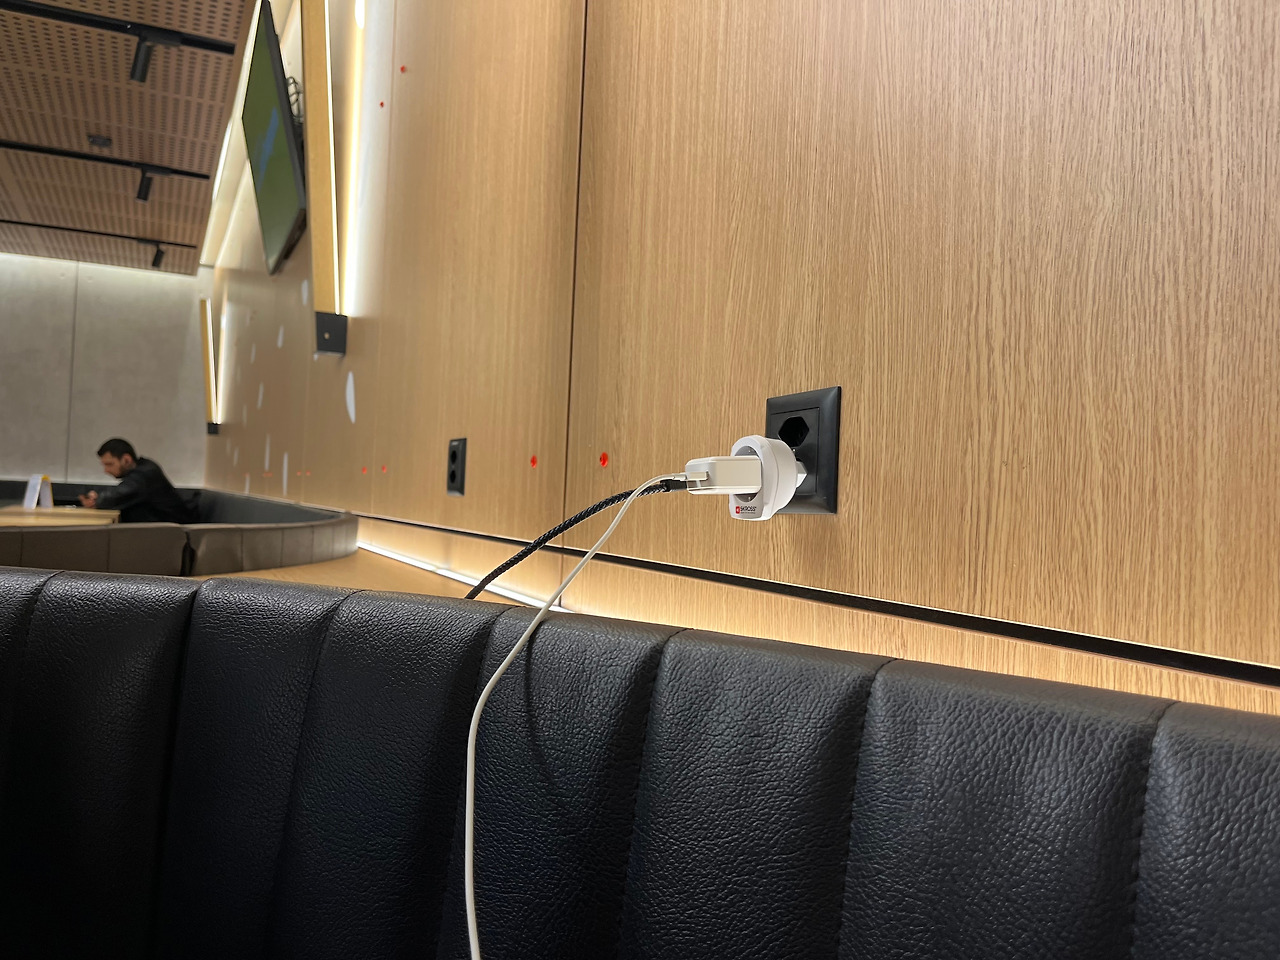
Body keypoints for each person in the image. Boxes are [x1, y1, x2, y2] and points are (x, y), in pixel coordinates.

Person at [78, 439, 195, 524]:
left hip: (170, 533)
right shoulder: (144, 469)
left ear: (126, 460)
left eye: (110, 464)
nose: (106, 470)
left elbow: (117, 496)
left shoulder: (145, 474)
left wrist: (96, 500)